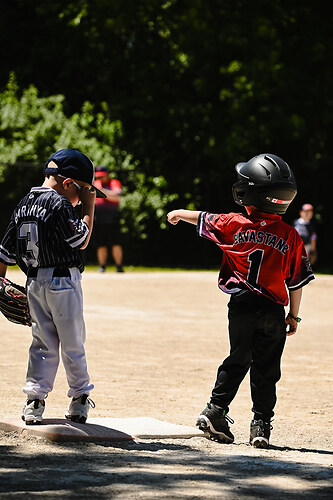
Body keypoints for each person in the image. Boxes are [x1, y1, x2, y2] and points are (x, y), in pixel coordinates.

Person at [167, 153, 314, 449]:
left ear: (251, 194)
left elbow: (205, 217)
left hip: (241, 305)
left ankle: (215, 411)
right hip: (274, 309)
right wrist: (293, 316)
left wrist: (180, 212)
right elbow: (295, 282)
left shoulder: (234, 223)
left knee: (237, 359)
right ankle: (260, 425)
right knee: (267, 368)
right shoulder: (291, 235)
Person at [0, 148, 106, 425]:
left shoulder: (23, 203)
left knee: (42, 344)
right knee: (72, 342)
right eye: (82, 190)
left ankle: (34, 401)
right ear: (68, 183)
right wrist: (89, 207)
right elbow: (80, 240)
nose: (83, 196)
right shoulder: (60, 204)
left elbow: (4, 253)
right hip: (63, 281)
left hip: (34, 283)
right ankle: (80, 398)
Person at [93, 166, 124, 273]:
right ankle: (102, 266)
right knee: (100, 244)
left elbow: (117, 196)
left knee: (116, 242)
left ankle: (119, 266)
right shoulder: (96, 184)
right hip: (99, 217)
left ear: (107, 174)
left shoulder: (114, 182)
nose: (100, 179)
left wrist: (103, 192)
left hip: (113, 217)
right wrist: (108, 194)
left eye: (102, 176)